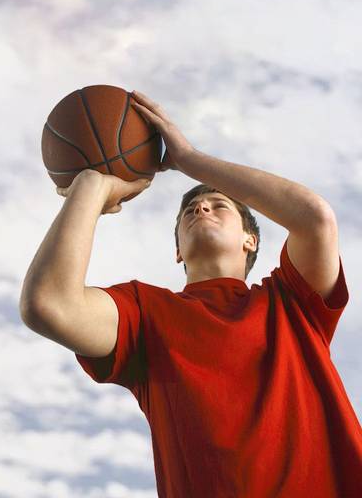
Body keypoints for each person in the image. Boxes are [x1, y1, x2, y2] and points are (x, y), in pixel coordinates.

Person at [20, 90, 362, 497]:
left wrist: (187, 159)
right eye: (189, 212)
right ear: (178, 250)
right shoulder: (145, 314)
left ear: (250, 240)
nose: (201, 209)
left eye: (219, 205)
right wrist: (90, 186)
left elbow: (316, 219)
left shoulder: (291, 303)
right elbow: (49, 303)